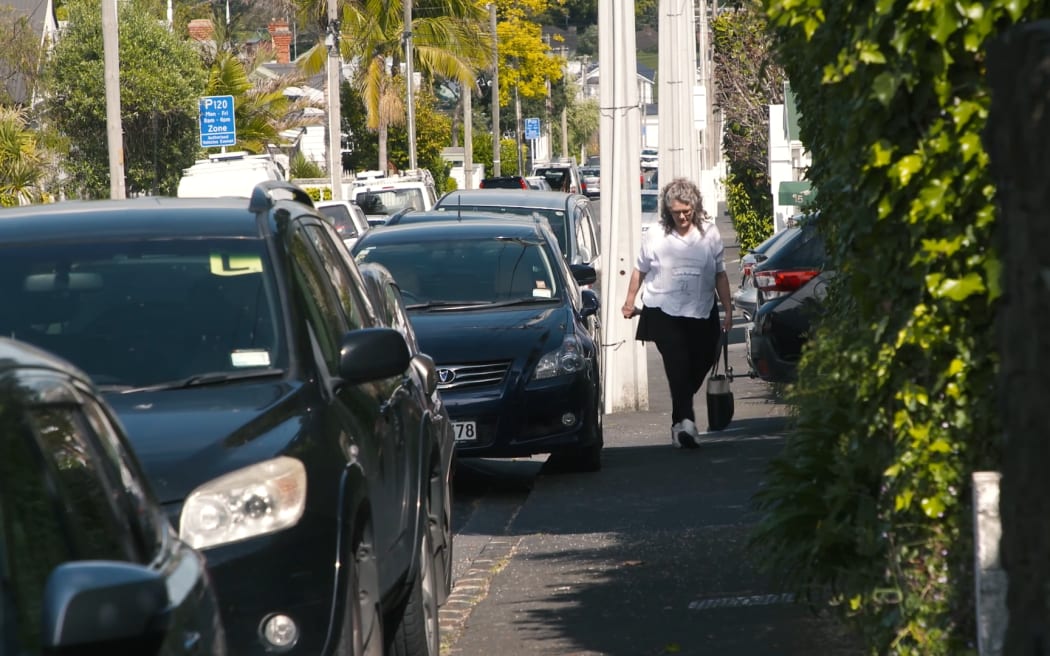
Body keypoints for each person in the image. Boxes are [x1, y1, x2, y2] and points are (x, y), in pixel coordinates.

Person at [621, 177, 733, 448]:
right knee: (677, 365)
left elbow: (719, 274)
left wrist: (728, 310)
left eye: (686, 212)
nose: (682, 217)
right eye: (676, 213)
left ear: (695, 207)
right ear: (667, 211)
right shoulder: (656, 234)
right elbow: (640, 270)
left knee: (705, 358)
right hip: (663, 310)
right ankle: (685, 424)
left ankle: (679, 417)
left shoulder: (709, 232)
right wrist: (629, 300)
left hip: (701, 309)